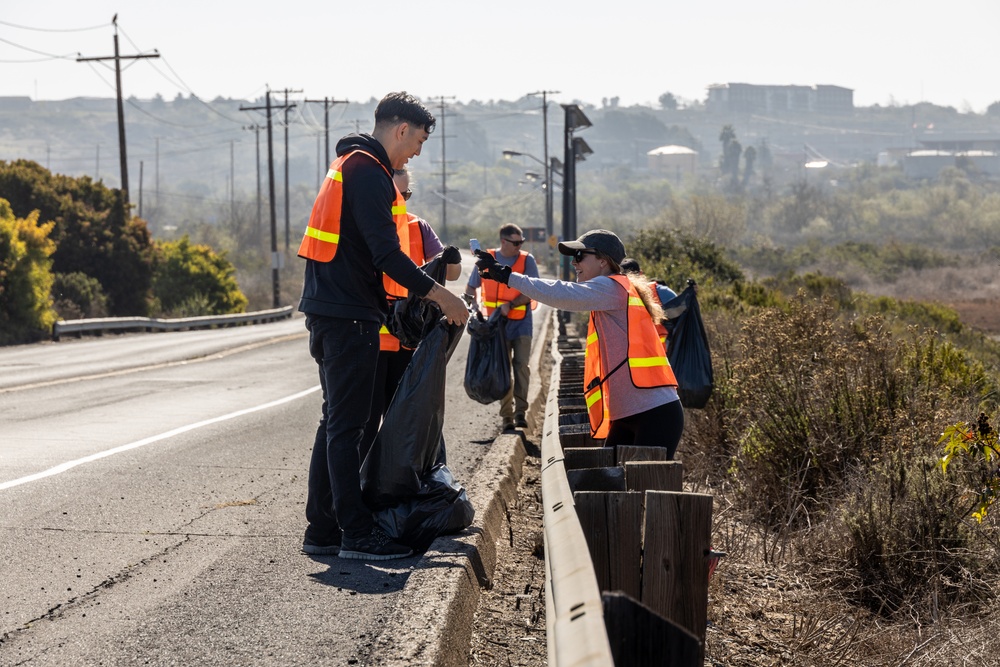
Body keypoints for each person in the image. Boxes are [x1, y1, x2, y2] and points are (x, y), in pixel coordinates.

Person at [298, 92, 469, 561]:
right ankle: (356, 535)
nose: (417, 151)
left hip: (335, 308)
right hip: (348, 313)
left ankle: (325, 530)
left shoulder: (351, 165)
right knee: (348, 428)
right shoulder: (368, 172)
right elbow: (386, 255)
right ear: (400, 130)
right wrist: (441, 295)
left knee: (337, 423)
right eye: (418, 139)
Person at [475, 229, 685, 457]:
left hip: (653, 413)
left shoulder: (612, 287)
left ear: (603, 261)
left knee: (640, 483)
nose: (574, 262)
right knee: (612, 486)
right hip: (629, 413)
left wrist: (508, 277)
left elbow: (561, 293)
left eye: (580, 256)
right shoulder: (609, 291)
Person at [361, 166, 462, 463]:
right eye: (397, 194)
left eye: (407, 194)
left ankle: (393, 486)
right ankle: (361, 487)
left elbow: (450, 273)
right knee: (365, 423)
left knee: (403, 420)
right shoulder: (368, 226)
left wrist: (451, 260)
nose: (402, 200)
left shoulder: (418, 227)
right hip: (371, 342)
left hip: (408, 343)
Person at [464, 224, 539, 432]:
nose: (519, 246)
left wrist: (512, 304)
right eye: (515, 243)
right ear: (503, 242)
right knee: (503, 370)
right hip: (497, 327)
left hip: (521, 323)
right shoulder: (487, 259)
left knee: (521, 366)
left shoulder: (527, 260)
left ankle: (520, 412)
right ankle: (507, 416)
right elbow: (471, 286)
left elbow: (533, 290)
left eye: (521, 242)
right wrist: (474, 305)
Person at [619, 257, 676, 355]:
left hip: (639, 357)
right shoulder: (661, 291)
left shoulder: (616, 295)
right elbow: (682, 314)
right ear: (641, 274)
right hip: (660, 355)